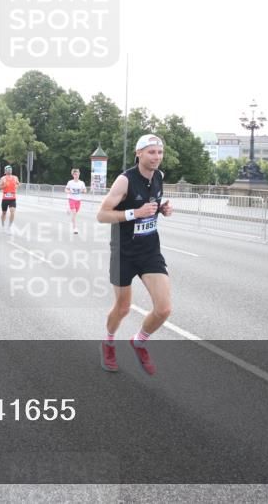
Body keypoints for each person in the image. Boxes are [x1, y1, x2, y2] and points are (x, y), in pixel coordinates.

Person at [96, 134, 174, 376]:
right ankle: (109, 342)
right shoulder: (124, 180)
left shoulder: (159, 177)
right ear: (139, 153)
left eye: (159, 152)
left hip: (150, 251)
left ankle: (139, 341)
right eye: (151, 152)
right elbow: (102, 215)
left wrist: (161, 209)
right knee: (123, 308)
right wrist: (135, 213)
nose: (156, 157)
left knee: (163, 310)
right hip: (124, 252)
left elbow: (150, 204)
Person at [0, 165, 20, 232]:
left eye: (10, 169)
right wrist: (4, 186)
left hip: (12, 198)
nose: (10, 170)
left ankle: (10, 226)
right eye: (8, 169)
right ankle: (2, 224)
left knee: (12, 212)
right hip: (5, 198)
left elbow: (18, 184)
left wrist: (16, 186)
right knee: (4, 213)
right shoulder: (3, 178)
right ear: (5, 171)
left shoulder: (15, 177)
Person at [65, 167, 86, 235]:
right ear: (73, 175)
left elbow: (85, 190)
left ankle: (69, 210)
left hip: (78, 200)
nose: (77, 175)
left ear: (79, 174)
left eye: (78, 174)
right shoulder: (70, 182)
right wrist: (68, 191)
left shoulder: (81, 183)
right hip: (71, 199)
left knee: (74, 214)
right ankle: (75, 228)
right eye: (75, 174)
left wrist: (82, 191)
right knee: (74, 213)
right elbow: (66, 189)